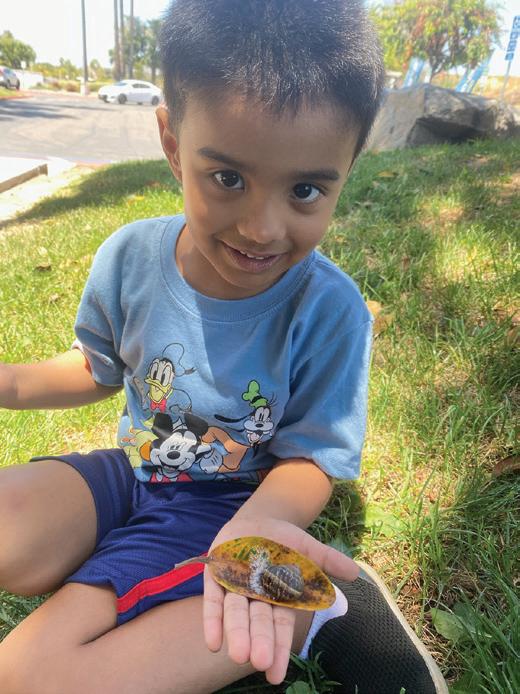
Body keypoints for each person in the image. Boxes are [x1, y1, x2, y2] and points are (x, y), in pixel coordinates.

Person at [0, 1, 447, 692]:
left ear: (347, 168)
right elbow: (96, 367)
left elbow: (310, 459)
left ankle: (308, 606)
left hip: (228, 510)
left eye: (305, 190)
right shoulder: (129, 259)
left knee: (26, 676)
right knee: (14, 534)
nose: (262, 228)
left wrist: (251, 534)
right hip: (133, 475)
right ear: (173, 143)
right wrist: (9, 381)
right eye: (229, 178)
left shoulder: (329, 311)